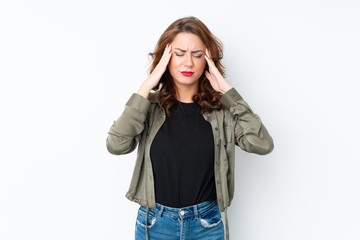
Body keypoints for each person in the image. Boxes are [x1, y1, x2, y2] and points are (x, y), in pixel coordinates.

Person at [106, 16, 274, 240]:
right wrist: (146, 86)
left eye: (197, 55)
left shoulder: (221, 111)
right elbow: (116, 145)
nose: (188, 63)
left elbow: (262, 144)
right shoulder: (149, 108)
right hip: (155, 224)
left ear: (208, 60)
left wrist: (229, 93)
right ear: (165, 58)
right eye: (179, 54)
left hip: (207, 224)